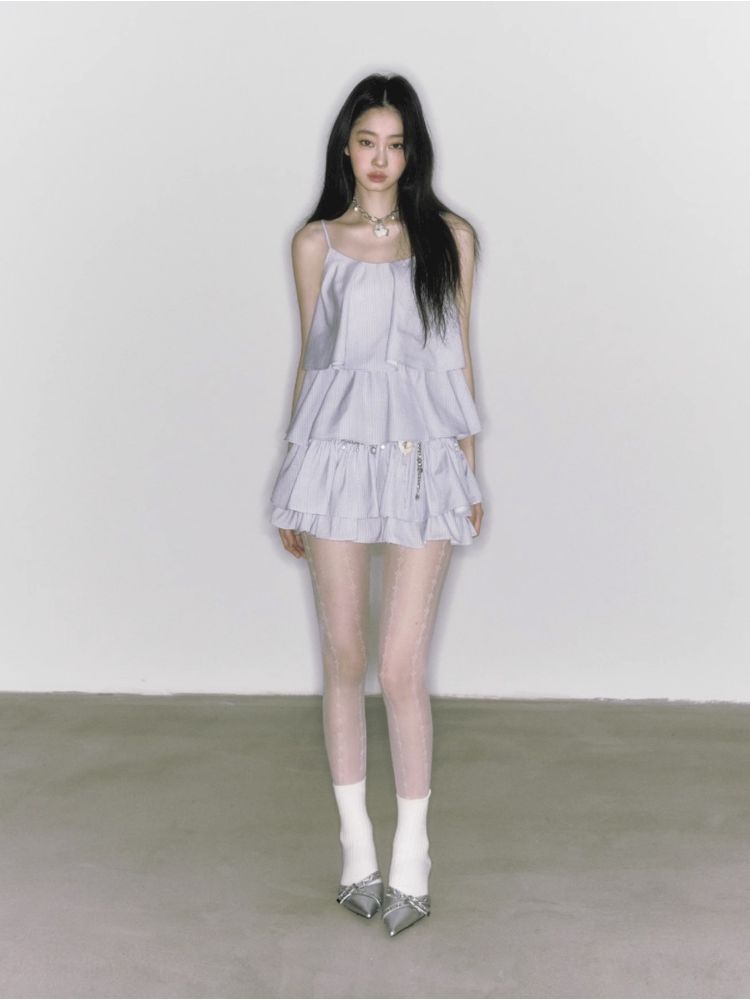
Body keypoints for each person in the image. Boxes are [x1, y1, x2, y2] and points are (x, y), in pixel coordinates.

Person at [269, 73, 485, 936]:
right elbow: (313, 362)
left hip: (424, 459)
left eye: (396, 144)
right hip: (333, 462)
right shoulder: (315, 242)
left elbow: (457, 356)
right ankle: (356, 848)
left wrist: (468, 469)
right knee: (345, 658)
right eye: (368, 142)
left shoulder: (451, 238)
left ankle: (413, 853)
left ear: (412, 152)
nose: (381, 159)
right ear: (347, 149)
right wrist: (293, 476)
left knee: (400, 667)